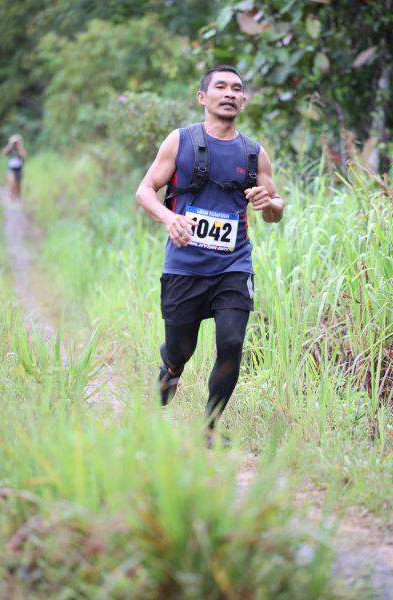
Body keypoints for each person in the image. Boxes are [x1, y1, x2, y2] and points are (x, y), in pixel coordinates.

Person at [136, 65, 284, 442]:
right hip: (184, 265)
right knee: (181, 349)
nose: (229, 93)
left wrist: (269, 204)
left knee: (232, 344)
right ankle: (170, 368)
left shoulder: (254, 153)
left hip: (234, 264)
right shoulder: (180, 141)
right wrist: (169, 218)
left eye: (236, 88)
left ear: (243, 101)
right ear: (203, 97)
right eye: (221, 87)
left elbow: (275, 210)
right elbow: (145, 190)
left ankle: (209, 428)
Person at [1, 134, 26, 201]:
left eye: (16, 142)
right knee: (12, 183)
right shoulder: (10, 149)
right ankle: (12, 199)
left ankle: (18, 198)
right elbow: (3, 153)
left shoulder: (20, 148)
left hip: (19, 169)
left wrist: (19, 146)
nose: (15, 144)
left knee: (18, 185)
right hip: (11, 169)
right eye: (14, 142)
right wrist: (10, 145)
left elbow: (23, 155)